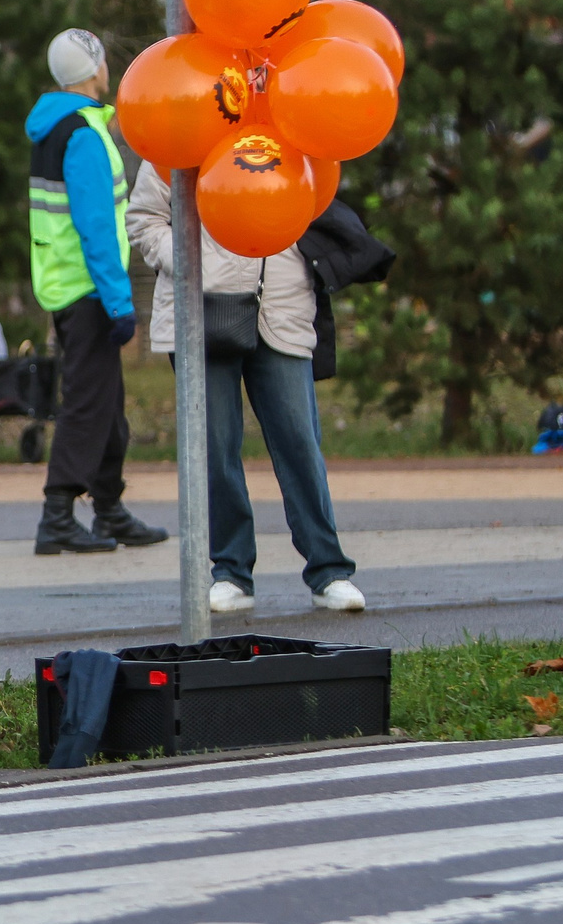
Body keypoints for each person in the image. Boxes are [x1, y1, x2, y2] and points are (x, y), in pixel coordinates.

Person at [130, 163, 364, 615]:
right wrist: (193, 262)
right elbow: (144, 220)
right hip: (202, 309)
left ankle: (329, 570)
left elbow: (315, 203)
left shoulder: (289, 124)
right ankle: (231, 572)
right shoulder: (186, 121)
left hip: (282, 308)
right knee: (214, 449)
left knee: (300, 443)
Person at [25, 30, 165, 555]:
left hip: (64, 284)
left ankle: (108, 509)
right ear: (95, 69)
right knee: (88, 405)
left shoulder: (50, 130)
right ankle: (57, 513)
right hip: (89, 291)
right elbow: (97, 228)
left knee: (109, 407)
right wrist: (119, 300)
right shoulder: (82, 133)